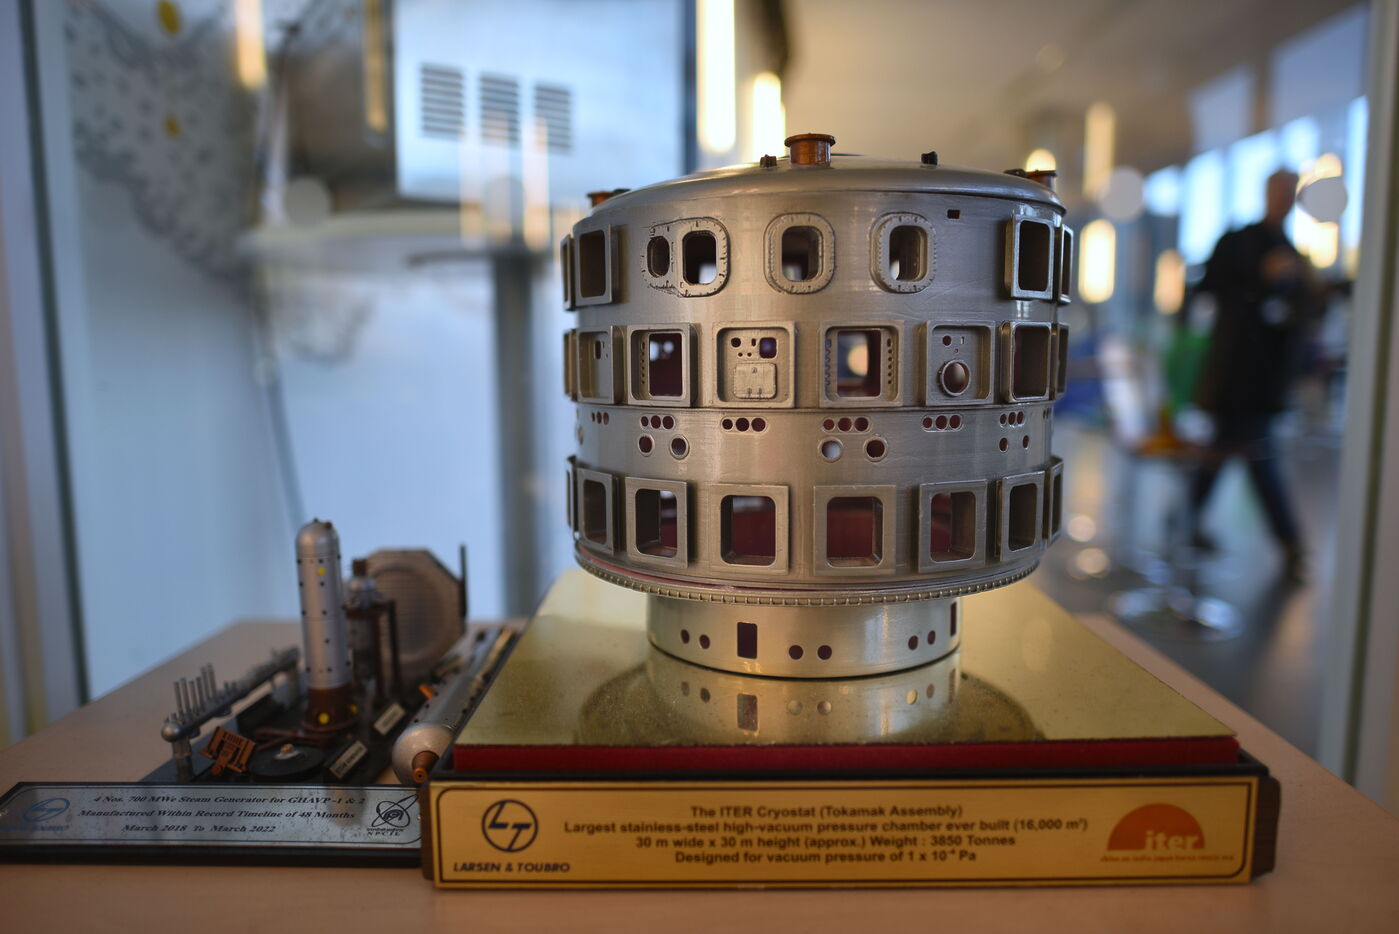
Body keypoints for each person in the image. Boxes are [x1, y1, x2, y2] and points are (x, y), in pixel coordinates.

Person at [1189, 169, 1317, 582]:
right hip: (1234, 375)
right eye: (1279, 190)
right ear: (1267, 192)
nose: (1284, 198)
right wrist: (1261, 277)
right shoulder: (1239, 242)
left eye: (1289, 192)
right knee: (1254, 455)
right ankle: (1290, 543)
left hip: (1264, 381)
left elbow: (1299, 315)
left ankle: (1186, 521)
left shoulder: (1292, 254)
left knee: (1230, 450)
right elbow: (1210, 288)